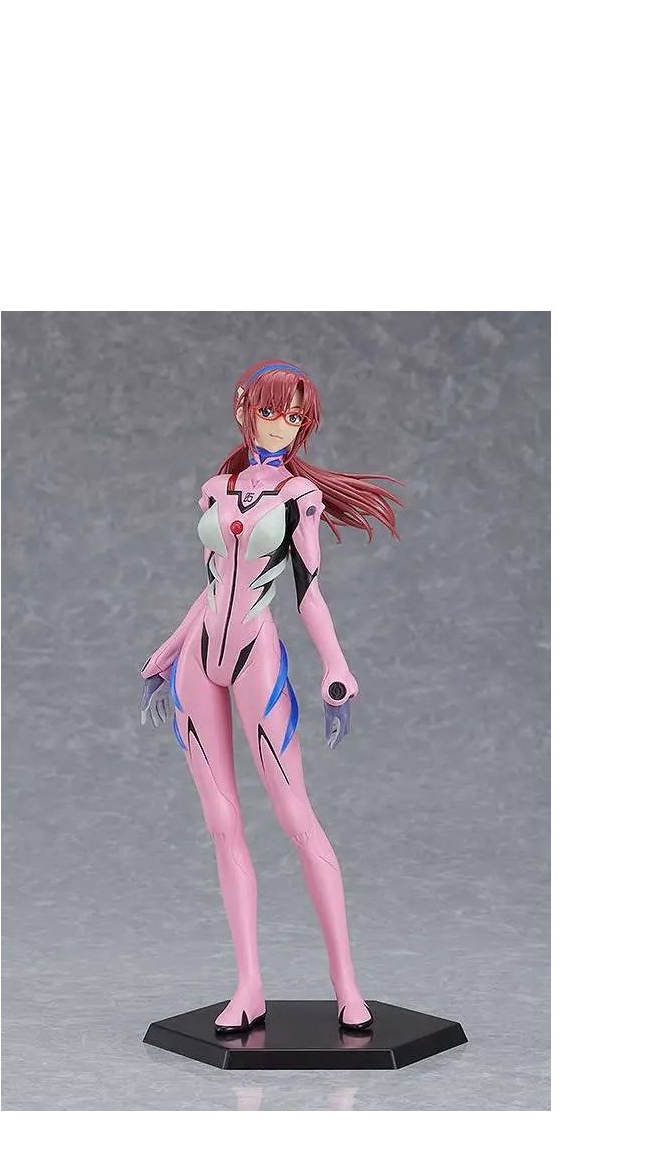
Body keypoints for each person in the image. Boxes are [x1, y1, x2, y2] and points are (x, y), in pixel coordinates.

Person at [139, 360, 402, 1033]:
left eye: (293, 417)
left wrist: (335, 664)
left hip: (257, 655)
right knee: (221, 821)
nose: (281, 426)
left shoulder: (298, 497)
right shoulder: (215, 490)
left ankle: (346, 985)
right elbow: (210, 586)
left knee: (294, 813)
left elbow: (308, 592)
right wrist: (168, 649)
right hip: (199, 660)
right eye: (269, 412)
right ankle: (249, 985)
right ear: (243, 410)